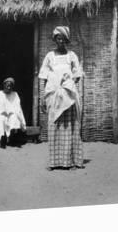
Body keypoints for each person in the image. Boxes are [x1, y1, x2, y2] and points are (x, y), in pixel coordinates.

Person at [38, 26, 84, 170]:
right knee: (54, 127)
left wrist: (68, 85)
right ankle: (54, 162)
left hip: (68, 97)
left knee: (70, 128)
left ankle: (70, 162)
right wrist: (42, 98)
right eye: (58, 38)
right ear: (55, 40)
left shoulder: (72, 56)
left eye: (63, 39)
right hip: (53, 97)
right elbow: (42, 77)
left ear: (66, 40)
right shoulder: (49, 56)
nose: (60, 41)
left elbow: (77, 75)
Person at [0, 77, 27, 148]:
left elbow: (17, 107)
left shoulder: (15, 94)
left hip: (11, 114)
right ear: (4, 85)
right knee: (1, 118)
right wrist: (1, 112)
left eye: (10, 86)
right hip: (0, 114)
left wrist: (11, 112)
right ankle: (1, 138)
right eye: (7, 85)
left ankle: (10, 138)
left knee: (14, 117)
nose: (9, 87)